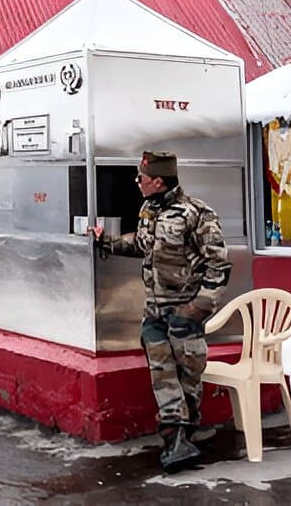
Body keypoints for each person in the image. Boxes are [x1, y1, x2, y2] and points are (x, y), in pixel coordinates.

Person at [98, 151, 230, 472]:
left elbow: (219, 265)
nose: (137, 183)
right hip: (154, 311)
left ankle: (185, 436)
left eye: (141, 178)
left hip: (185, 311)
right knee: (162, 374)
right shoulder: (148, 210)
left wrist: (199, 308)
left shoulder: (196, 213)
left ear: (157, 181)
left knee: (188, 375)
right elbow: (142, 247)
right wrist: (107, 242)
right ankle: (174, 439)